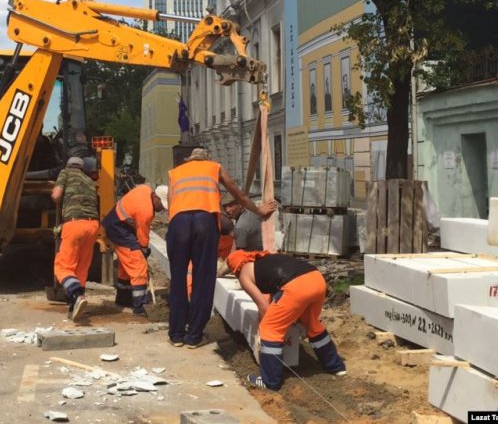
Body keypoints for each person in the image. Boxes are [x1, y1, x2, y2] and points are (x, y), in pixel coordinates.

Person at [166, 148, 277, 348]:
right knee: (203, 277)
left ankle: (176, 334)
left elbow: (172, 203)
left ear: (189, 159)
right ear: (206, 158)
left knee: (178, 277)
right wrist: (260, 210)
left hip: (178, 223)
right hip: (204, 220)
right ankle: (194, 336)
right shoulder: (214, 167)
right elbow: (240, 196)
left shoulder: (174, 172)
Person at [226, 250, 346, 391]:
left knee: (269, 329)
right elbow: (274, 294)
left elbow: (263, 306)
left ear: (235, 269)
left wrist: (262, 337)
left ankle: (270, 381)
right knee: (312, 323)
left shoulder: (244, 275)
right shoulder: (265, 262)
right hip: (317, 280)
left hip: (296, 286)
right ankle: (336, 367)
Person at [102, 183, 166, 315]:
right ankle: (140, 305)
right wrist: (143, 249)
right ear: (155, 198)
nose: (163, 209)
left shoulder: (145, 189)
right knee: (138, 266)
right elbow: (143, 233)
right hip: (119, 228)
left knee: (127, 265)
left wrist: (143, 248)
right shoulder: (146, 210)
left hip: (116, 224)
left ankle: (123, 298)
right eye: (162, 205)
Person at [51, 156, 99, 321]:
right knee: (81, 269)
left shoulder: (65, 173)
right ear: (82, 168)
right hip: (93, 226)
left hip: (74, 224)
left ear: (69, 165)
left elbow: (57, 196)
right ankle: (75, 307)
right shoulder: (89, 181)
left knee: (62, 267)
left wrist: (55, 193)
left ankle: (77, 295)